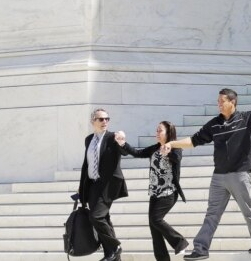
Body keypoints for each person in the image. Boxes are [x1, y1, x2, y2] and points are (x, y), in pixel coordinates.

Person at [162, 87, 251, 261]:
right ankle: (201, 248)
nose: (218, 104)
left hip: (239, 173)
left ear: (232, 102)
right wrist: (172, 144)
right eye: (218, 101)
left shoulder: (246, 119)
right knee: (212, 213)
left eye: (222, 101)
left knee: (247, 209)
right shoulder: (214, 124)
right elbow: (194, 140)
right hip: (219, 176)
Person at [114, 121, 188, 261]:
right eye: (156, 130)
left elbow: (177, 159)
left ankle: (179, 242)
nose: (157, 133)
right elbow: (138, 153)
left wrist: (167, 153)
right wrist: (123, 143)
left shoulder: (175, 147)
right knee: (154, 228)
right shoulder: (155, 148)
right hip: (155, 194)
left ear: (168, 133)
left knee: (156, 219)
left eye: (160, 130)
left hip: (169, 193)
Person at [77, 108, 128, 261]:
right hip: (92, 185)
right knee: (104, 218)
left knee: (96, 217)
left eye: (107, 119)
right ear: (93, 121)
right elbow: (86, 164)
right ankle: (111, 256)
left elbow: (124, 152)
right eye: (101, 119)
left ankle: (115, 246)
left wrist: (122, 141)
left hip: (107, 185)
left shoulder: (113, 137)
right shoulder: (88, 139)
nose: (104, 121)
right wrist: (81, 187)